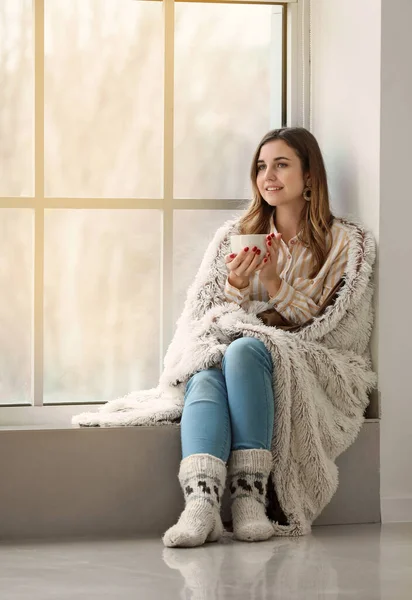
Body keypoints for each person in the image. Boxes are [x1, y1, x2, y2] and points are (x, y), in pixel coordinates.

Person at [166, 127, 350, 547]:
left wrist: (272, 281)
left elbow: (325, 319)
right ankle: (202, 504)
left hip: (293, 352)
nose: (268, 175)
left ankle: (249, 498)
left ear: (309, 177)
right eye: (261, 166)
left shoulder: (339, 241)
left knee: (247, 349)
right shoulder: (240, 232)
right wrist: (235, 283)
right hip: (236, 345)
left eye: (282, 165)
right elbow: (212, 312)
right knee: (205, 373)